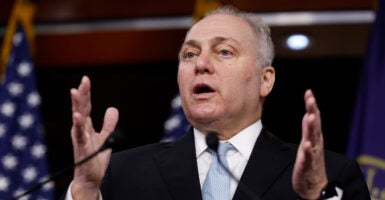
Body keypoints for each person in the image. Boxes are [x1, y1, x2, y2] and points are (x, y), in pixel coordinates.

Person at [64, 5, 370, 200]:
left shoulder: (332, 174)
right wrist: (84, 191)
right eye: (189, 54)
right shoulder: (119, 174)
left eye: (224, 52)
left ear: (266, 80)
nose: (201, 64)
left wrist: (317, 194)